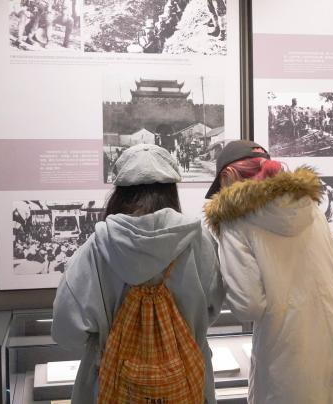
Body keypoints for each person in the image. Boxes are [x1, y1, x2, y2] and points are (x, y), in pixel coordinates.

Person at [204, 140, 333, 404]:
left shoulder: (235, 222)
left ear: (228, 175)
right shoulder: (310, 207)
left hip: (285, 355)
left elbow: (248, 306)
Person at [52, 143, 224, 403]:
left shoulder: (96, 248)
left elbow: (67, 331)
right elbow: (212, 307)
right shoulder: (200, 242)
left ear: (119, 192)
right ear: (171, 190)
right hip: (187, 383)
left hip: (110, 384)